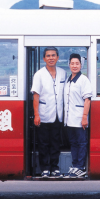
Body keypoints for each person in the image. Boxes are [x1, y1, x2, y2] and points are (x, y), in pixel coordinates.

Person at [31, 47, 67, 178]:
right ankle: (45, 168)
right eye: (48, 56)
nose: (51, 58)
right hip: (44, 114)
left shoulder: (63, 73)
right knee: (44, 143)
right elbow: (36, 95)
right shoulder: (39, 74)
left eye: (53, 55)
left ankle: (54, 167)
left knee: (56, 142)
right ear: (43, 58)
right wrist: (36, 114)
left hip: (58, 114)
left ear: (58, 57)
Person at [63, 53, 92, 178]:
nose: (75, 66)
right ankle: (75, 167)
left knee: (81, 143)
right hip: (69, 119)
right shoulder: (68, 80)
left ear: (81, 65)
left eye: (77, 63)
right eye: (72, 63)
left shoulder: (83, 80)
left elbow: (87, 99)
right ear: (69, 64)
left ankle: (80, 167)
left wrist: (84, 117)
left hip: (80, 118)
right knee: (74, 143)